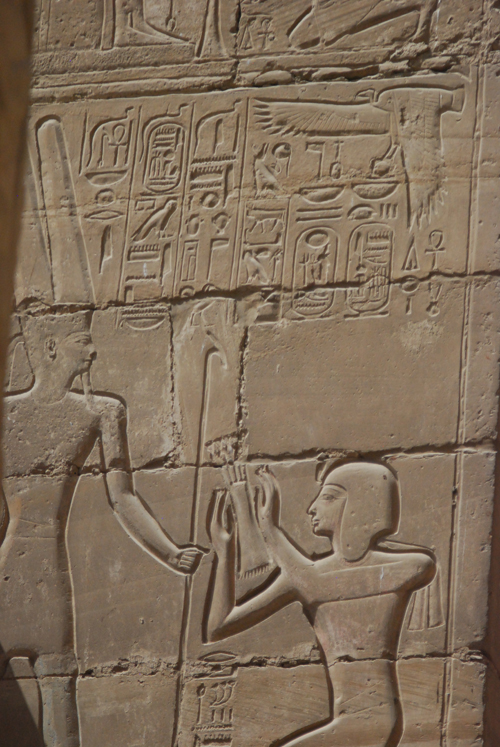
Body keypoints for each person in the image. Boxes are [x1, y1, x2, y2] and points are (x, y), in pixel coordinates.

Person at [1, 310, 204, 746]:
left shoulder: (102, 413)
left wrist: (170, 551)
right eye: (82, 340)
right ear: (51, 348)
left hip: (51, 578)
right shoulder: (8, 415)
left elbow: (123, 498)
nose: (93, 351)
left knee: (61, 696)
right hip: (8, 574)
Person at [207, 461, 436, 747]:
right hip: (354, 721)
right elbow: (219, 625)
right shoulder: (307, 577)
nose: (312, 508)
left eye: (328, 497)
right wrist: (224, 554)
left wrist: (270, 528)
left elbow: (316, 579)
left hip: (369, 721)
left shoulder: (401, 568)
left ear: (361, 505)